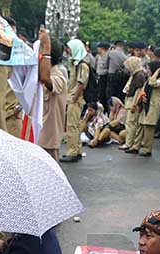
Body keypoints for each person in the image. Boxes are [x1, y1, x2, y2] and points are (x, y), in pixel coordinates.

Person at [36, 29, 67, 161]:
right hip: (38, 137)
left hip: (48, 140)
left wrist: (46, 47)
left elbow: (45, 78)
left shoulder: (59, 75)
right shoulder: (36, 75)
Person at [60, 38, 90, 163]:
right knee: (75, 126)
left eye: (69, 48)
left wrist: (73, 99)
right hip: (73, 98)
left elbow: (81, 84)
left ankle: (72, 151)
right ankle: (76, 149)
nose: (67, 51)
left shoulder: (82, 65)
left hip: (75, 99)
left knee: (72, 126)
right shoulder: (75, 64)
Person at [130, 60, 160, 156]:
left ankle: (147, 149)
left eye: (150, 69)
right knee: (140, 126)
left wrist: (157, 72)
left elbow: (152, 83)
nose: (148, 70)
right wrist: (142, 97)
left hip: (153, 106)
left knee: (149, 129)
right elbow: (144, 89)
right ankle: (135, 147)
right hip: (146, 105)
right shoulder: (149, 78)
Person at [119, 55, 146, 153]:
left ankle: (129, 143)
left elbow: (138, 92)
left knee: (131, 123)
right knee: (130, 123)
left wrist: (135, 104)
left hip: (133, 102)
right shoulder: (136, 74)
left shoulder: (139, 75)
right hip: (131, 101)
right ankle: (130, 142)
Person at [95, 41, 110, 108]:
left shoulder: (107, 56)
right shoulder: (98, 56)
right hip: (98, 76)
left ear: (102, 48)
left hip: (104, 76)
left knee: (103, 95)